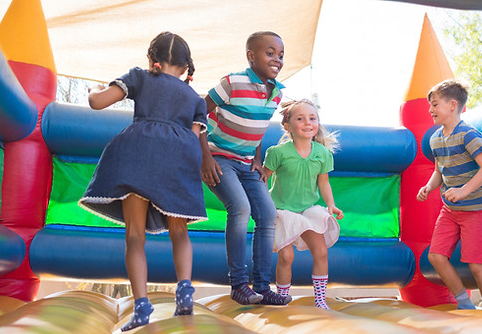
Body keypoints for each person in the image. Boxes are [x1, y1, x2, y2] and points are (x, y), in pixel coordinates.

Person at [79, 32, 207, 331]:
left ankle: (141, 305)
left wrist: (93, 88)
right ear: (186, 67)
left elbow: (98, 103)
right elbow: (196, 134)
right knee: (179, 230)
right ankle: (185, 288)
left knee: (135, 235)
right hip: (179, 156)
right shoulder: (194, 98)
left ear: (152, 59)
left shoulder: (140, 77)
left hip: (138, 153)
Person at [199, 31, 291, 305]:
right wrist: (205, 157)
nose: (277, 59)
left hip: (246, 163)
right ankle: (239, 284)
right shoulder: (232, 82)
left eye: (281, 55)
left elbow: (257, 128)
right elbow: (197, 113)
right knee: (240, 208)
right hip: (219, 158)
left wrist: (258, 160)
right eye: (270, 53)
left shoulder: (277, 93)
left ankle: (262, 287)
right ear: (251, 56)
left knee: (268, 214)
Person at [416, 79, 482, 310]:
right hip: (450, 210)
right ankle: (464, 303)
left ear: (452, 105)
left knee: (476, 266)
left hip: (475, 210)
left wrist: (463, 191)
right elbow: (439, 171)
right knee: (436, 257)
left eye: (434, 104)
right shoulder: (435, 139)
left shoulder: (468, 135)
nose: (430, 109)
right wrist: (429, 187)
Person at [262, 99, 342, 309]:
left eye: (312, 118)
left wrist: (331, 205)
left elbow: (323, 183)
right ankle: (282, 297)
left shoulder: (322, 153)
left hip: (308, 210)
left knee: (321, 251)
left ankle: (320, 299)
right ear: (287, 126)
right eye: (300, 119)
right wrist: (262, 206)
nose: (308, 123)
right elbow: (263, 179)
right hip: (282, 210)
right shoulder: (277, 152)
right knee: (286, 256)